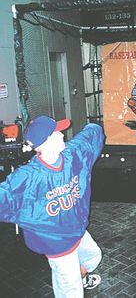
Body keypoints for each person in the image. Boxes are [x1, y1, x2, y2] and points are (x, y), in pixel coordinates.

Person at [0, 115, 105, 298]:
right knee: (71, 292)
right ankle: (74, 284)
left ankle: (80, 277)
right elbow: (6, 198)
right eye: (57, 133)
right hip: (57, 244)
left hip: (77, 230)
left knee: (93, 256)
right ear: (45, 143)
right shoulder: (28, 177)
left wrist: (93, 125)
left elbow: (89, 138)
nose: (62, 135)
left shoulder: (72, 156)